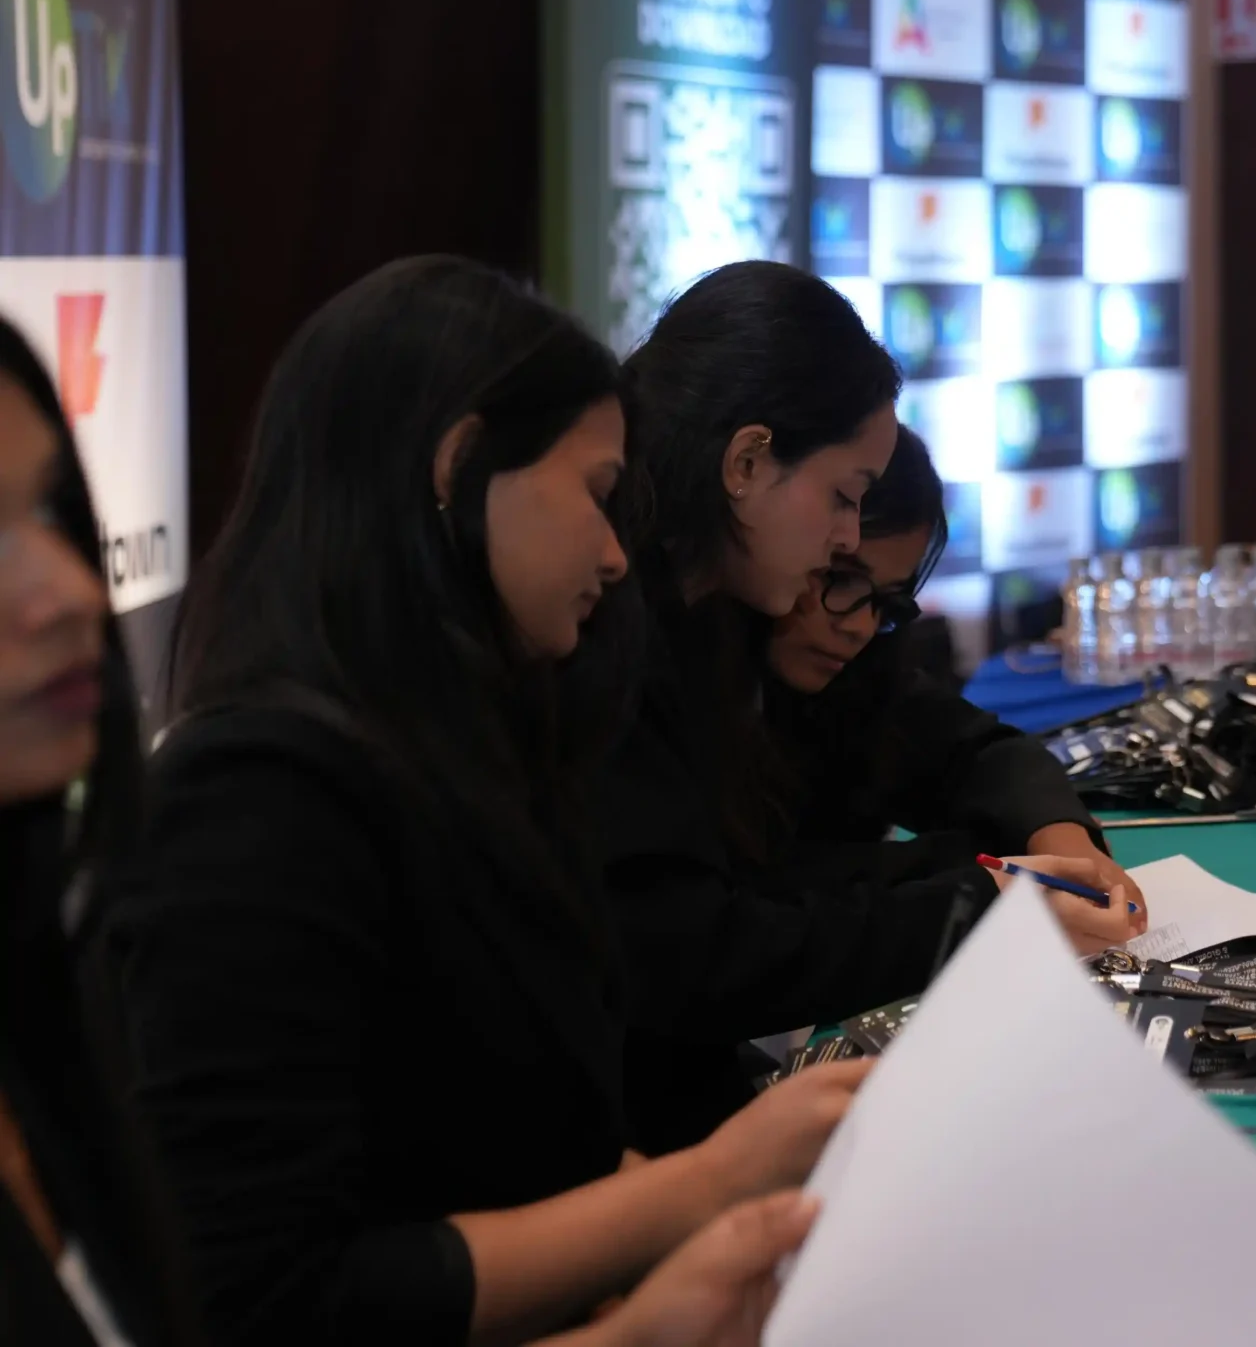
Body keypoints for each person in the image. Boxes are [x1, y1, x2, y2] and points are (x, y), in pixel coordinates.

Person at [101, 259, 867, 1346]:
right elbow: (270, 1297)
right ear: (462, 466)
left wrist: (720, 1221)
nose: (616, 555)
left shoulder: (467, 753)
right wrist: (702, 1192)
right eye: (596, 494)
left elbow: (538, 1153)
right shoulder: (253, 803)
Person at [607, 263, 1140, 1154]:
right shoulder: (622, 642)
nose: (844, 541)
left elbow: (961, 749)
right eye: (844, 498)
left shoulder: (698, 621)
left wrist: (1039, 853)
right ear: (745, 463)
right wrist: (980, 900)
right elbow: (706, 947)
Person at [763, 425, 1138, 898]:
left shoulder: (862, 674)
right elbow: (757, 897)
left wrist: (1060, 836)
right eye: (841, 578)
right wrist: (979, 880)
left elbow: (978, 754)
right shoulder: (683, 703)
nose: (860, 626)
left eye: (888, 599)